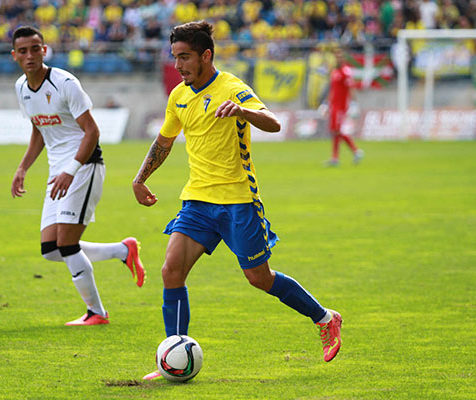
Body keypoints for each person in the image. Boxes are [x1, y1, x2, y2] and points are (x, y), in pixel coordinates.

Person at [132, 21, 342, 380]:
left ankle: (325, 318)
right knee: (171, 271)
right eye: (175, 57)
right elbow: (164, 141)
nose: (178, 65)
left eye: (185, 57)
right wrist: (140, 178)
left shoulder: (232, 87)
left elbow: (272, 122)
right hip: (197, 200)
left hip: (238, 201)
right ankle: (174, 355)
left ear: (206, 55)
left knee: (259, 278)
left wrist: (242, 111)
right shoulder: (178, 96)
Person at [10, 26, 145, 326]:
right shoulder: (21, 87)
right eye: (23, 50)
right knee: (51, 250)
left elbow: (92, 131)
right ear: (14, 55)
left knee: (68, 245)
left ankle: (97, 313)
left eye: (35, 48)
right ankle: (123, 250)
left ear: (44, 50)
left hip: (83, 167)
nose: (30, 55)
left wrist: (71, 170)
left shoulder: (65, 83)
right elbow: (39, 130)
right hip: (57, 173)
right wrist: (23, 168)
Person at [324, 47, 364, 167]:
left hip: (341, 107)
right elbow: (332, 90)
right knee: (335, 131)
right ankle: (336, 158)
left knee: (336, 130)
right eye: (336, 57)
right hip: (333, 105)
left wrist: (354, 103)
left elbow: (351, 88)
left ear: (344, 58)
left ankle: (356, 151)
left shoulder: (345, 71)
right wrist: (326, 104)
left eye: (340, 57)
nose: (338, 59)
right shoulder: (334, 72)